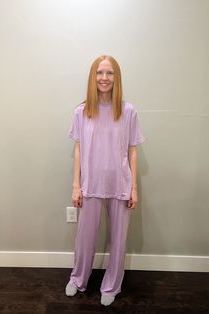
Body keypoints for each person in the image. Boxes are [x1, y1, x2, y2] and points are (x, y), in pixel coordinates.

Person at [65, 55, 145, 306]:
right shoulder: (82, 110)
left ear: (116, 78)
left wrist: (134, 188)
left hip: (120, 183)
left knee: (119, 240)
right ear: (93, 77)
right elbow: (78, 149)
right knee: (85, 238)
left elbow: (132, 149)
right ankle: (78, 278)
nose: (104, 78)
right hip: (91, 183)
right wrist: (76, 185)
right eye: (100, 73)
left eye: (109, 73)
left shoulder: (128, 110)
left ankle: (111, 285)